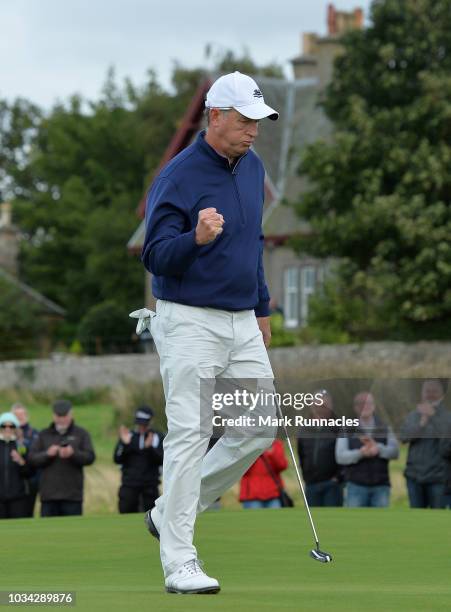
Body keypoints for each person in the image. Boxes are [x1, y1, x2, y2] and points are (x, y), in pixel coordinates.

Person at [139, 71, 279, 594]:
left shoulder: (253, 167)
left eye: (258, 122)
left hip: (243, 319)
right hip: (188, 319)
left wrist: (262, 307)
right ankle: (180, 563)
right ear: (215, 116)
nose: (253, 132)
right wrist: (195, 238)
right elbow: (155, 256)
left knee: (259, 428)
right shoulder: (177, 177)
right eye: (244, 121)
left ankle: (169, 509)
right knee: (190, 437)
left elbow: (254, 243)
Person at [29, 399, 95, 517]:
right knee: (48, 532)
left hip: (72, 496)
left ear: (71, 414)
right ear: (53, 416)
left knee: (73, 532)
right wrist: (47, 454)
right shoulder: (44, 434)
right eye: (59, 416)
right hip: (48, 497)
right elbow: (32, 459)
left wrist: (73, 454)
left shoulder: (81, 433)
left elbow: (90, 457)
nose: (62, 419)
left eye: (65, 416)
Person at [336, 391, 399, 507]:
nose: (365, 406)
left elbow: (395, 452)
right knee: (355, 524)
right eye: (360, 404)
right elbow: (340, 456)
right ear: (355, 407)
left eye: (368, 403)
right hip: (355, 487)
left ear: (374, 406)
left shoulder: (385, 427)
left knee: (381, 525)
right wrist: (361, 453)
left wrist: (378, 449)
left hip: (381, 487)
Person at [400, 379, 451, 508]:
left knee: (435, 521)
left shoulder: (447, 417)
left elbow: (447, 441)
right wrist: (421, 423)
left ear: (442, 394)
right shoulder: (413, 415)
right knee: (416, 521)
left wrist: (433, 416)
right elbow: (404, 437)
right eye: (427, 391)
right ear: (422, 393)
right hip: (414, 476)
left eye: (434, 391)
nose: (430, 394)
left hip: (438, 478)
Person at [113, 406, 164, 514]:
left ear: (150, 422)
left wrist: (149, 448)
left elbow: (162, 459)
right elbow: (117, 458)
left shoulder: (158, 437)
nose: (141, 427)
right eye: (139, 424)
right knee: (126, 514)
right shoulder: (128, 436)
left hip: (150, 486)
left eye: (144, 424)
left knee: (152, 516)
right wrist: (125, 444)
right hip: (129, 485)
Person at [297, 391, 343, 507]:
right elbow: (301, 454)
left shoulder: (338, 428)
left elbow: (343, 455)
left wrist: (338, 478)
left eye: (324, 406)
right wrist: (305, 477)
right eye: (317, 405)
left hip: (332, 484)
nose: (320, 409)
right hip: (311, 485)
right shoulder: (304, 429)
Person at [0, 412, 32, 519]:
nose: (7, 429)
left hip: (18, 497)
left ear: (16, 428)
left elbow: (29, 473)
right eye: (4, 426)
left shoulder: (22, 446)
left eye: (11, 426)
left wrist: (21, 462)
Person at [239, 439, 288, 509]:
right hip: (252, 495)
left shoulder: (275, 443)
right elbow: (242, 469)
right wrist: (254, 450)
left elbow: (282, 465)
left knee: (275, 519)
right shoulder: (246, 444)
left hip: (273, 494)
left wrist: (271, 452)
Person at [11, 403, 40, 517]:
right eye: (16, 416)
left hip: (30, 480)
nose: (19, 418)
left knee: (27, 512)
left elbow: (35, 455)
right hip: (11, 481)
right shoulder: (7, 433)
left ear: (26, 416)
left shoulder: (34, 434)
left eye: (21, 415)